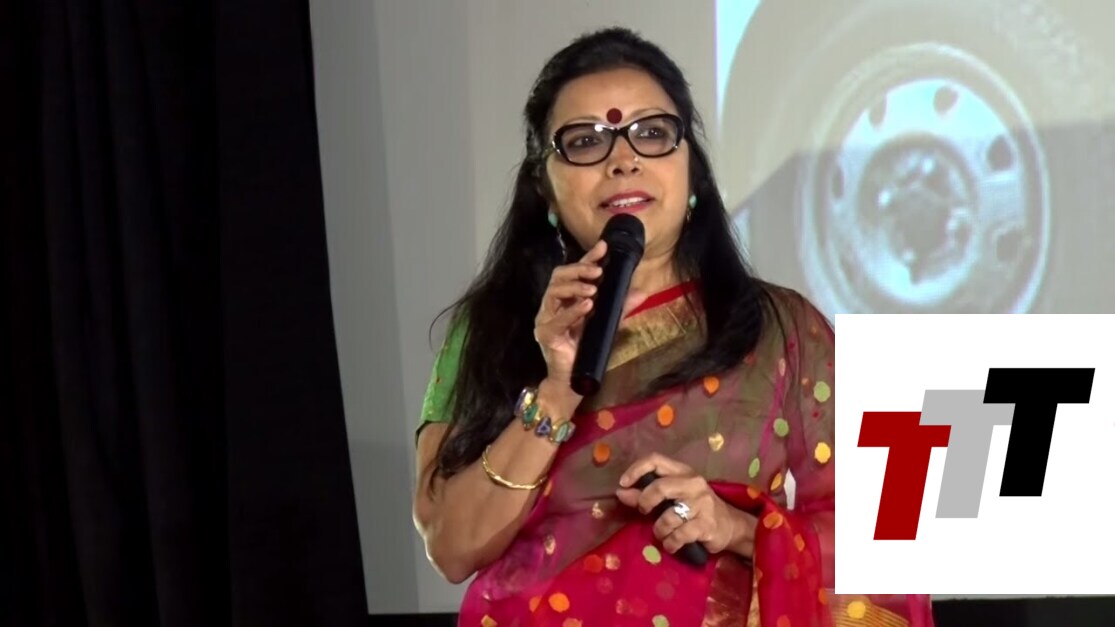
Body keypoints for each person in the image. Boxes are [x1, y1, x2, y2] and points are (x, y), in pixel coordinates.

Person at [412, 27, 935, 627]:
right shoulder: (492, 332)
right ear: (545, 190)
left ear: (692, 174)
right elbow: (451, 547)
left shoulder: (782, 330)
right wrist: (557, 392)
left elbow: (891, 531)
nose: (623, 160)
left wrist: (737, 528)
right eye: (585, 142)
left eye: (652, 133)